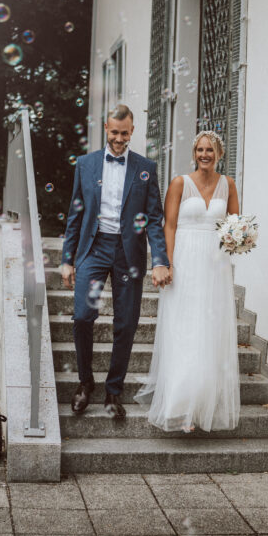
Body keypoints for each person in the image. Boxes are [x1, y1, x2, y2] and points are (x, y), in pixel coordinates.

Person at [60, 105, 171, 417]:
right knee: (82, 316)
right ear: (105, 129)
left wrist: (160, 259)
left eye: (125, 133)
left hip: (128, 253)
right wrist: (67, 258)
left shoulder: (146, 167)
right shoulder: (85, 164)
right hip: (93, 249)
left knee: (126, 323)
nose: (119, 138)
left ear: (132, 131)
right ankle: (85, 383)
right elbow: (75, 214)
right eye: (114, 132)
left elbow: (153, 219)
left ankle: (113, 392)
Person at [134, 131, 240, 431]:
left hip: (215, 264)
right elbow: (168, 225)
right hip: (185, 260)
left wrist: (239, 240)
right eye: (200, 149)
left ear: (219, 153)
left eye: (210, 150)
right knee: (185, 329)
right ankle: (179, 404)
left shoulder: (228, 184)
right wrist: (165, 263)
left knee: (210, 330)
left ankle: (201, 405)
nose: (205, 154)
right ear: (195, 152)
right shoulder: (181, 183)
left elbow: (234, 223)